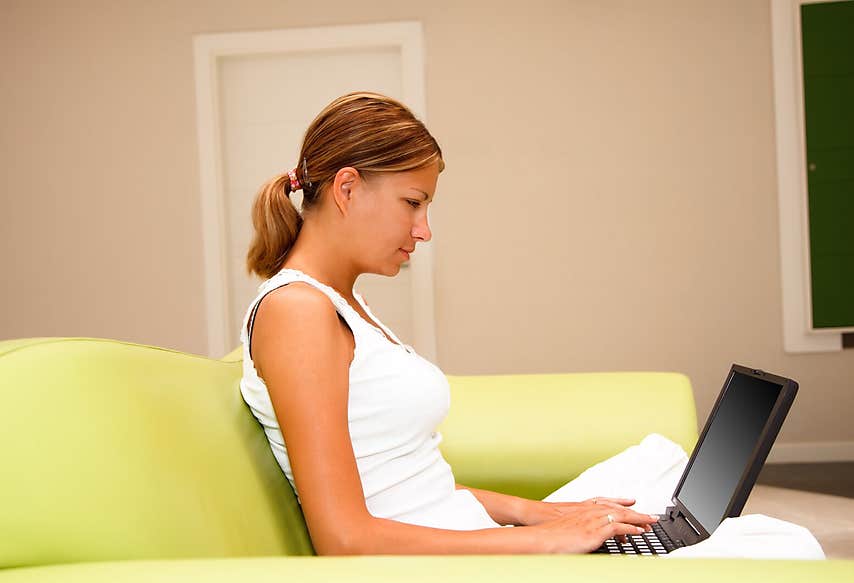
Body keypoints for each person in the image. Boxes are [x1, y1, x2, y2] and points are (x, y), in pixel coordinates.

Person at [239, 91, 658, 555]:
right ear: (348, 188)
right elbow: (345, 539)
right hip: (439, 581)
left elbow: (411, 489)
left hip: (464, 549)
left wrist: (537, 513)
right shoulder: (297, 311)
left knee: (662, 475)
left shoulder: (343, 302)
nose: (424, 229)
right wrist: (547, 540)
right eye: (412, 203)